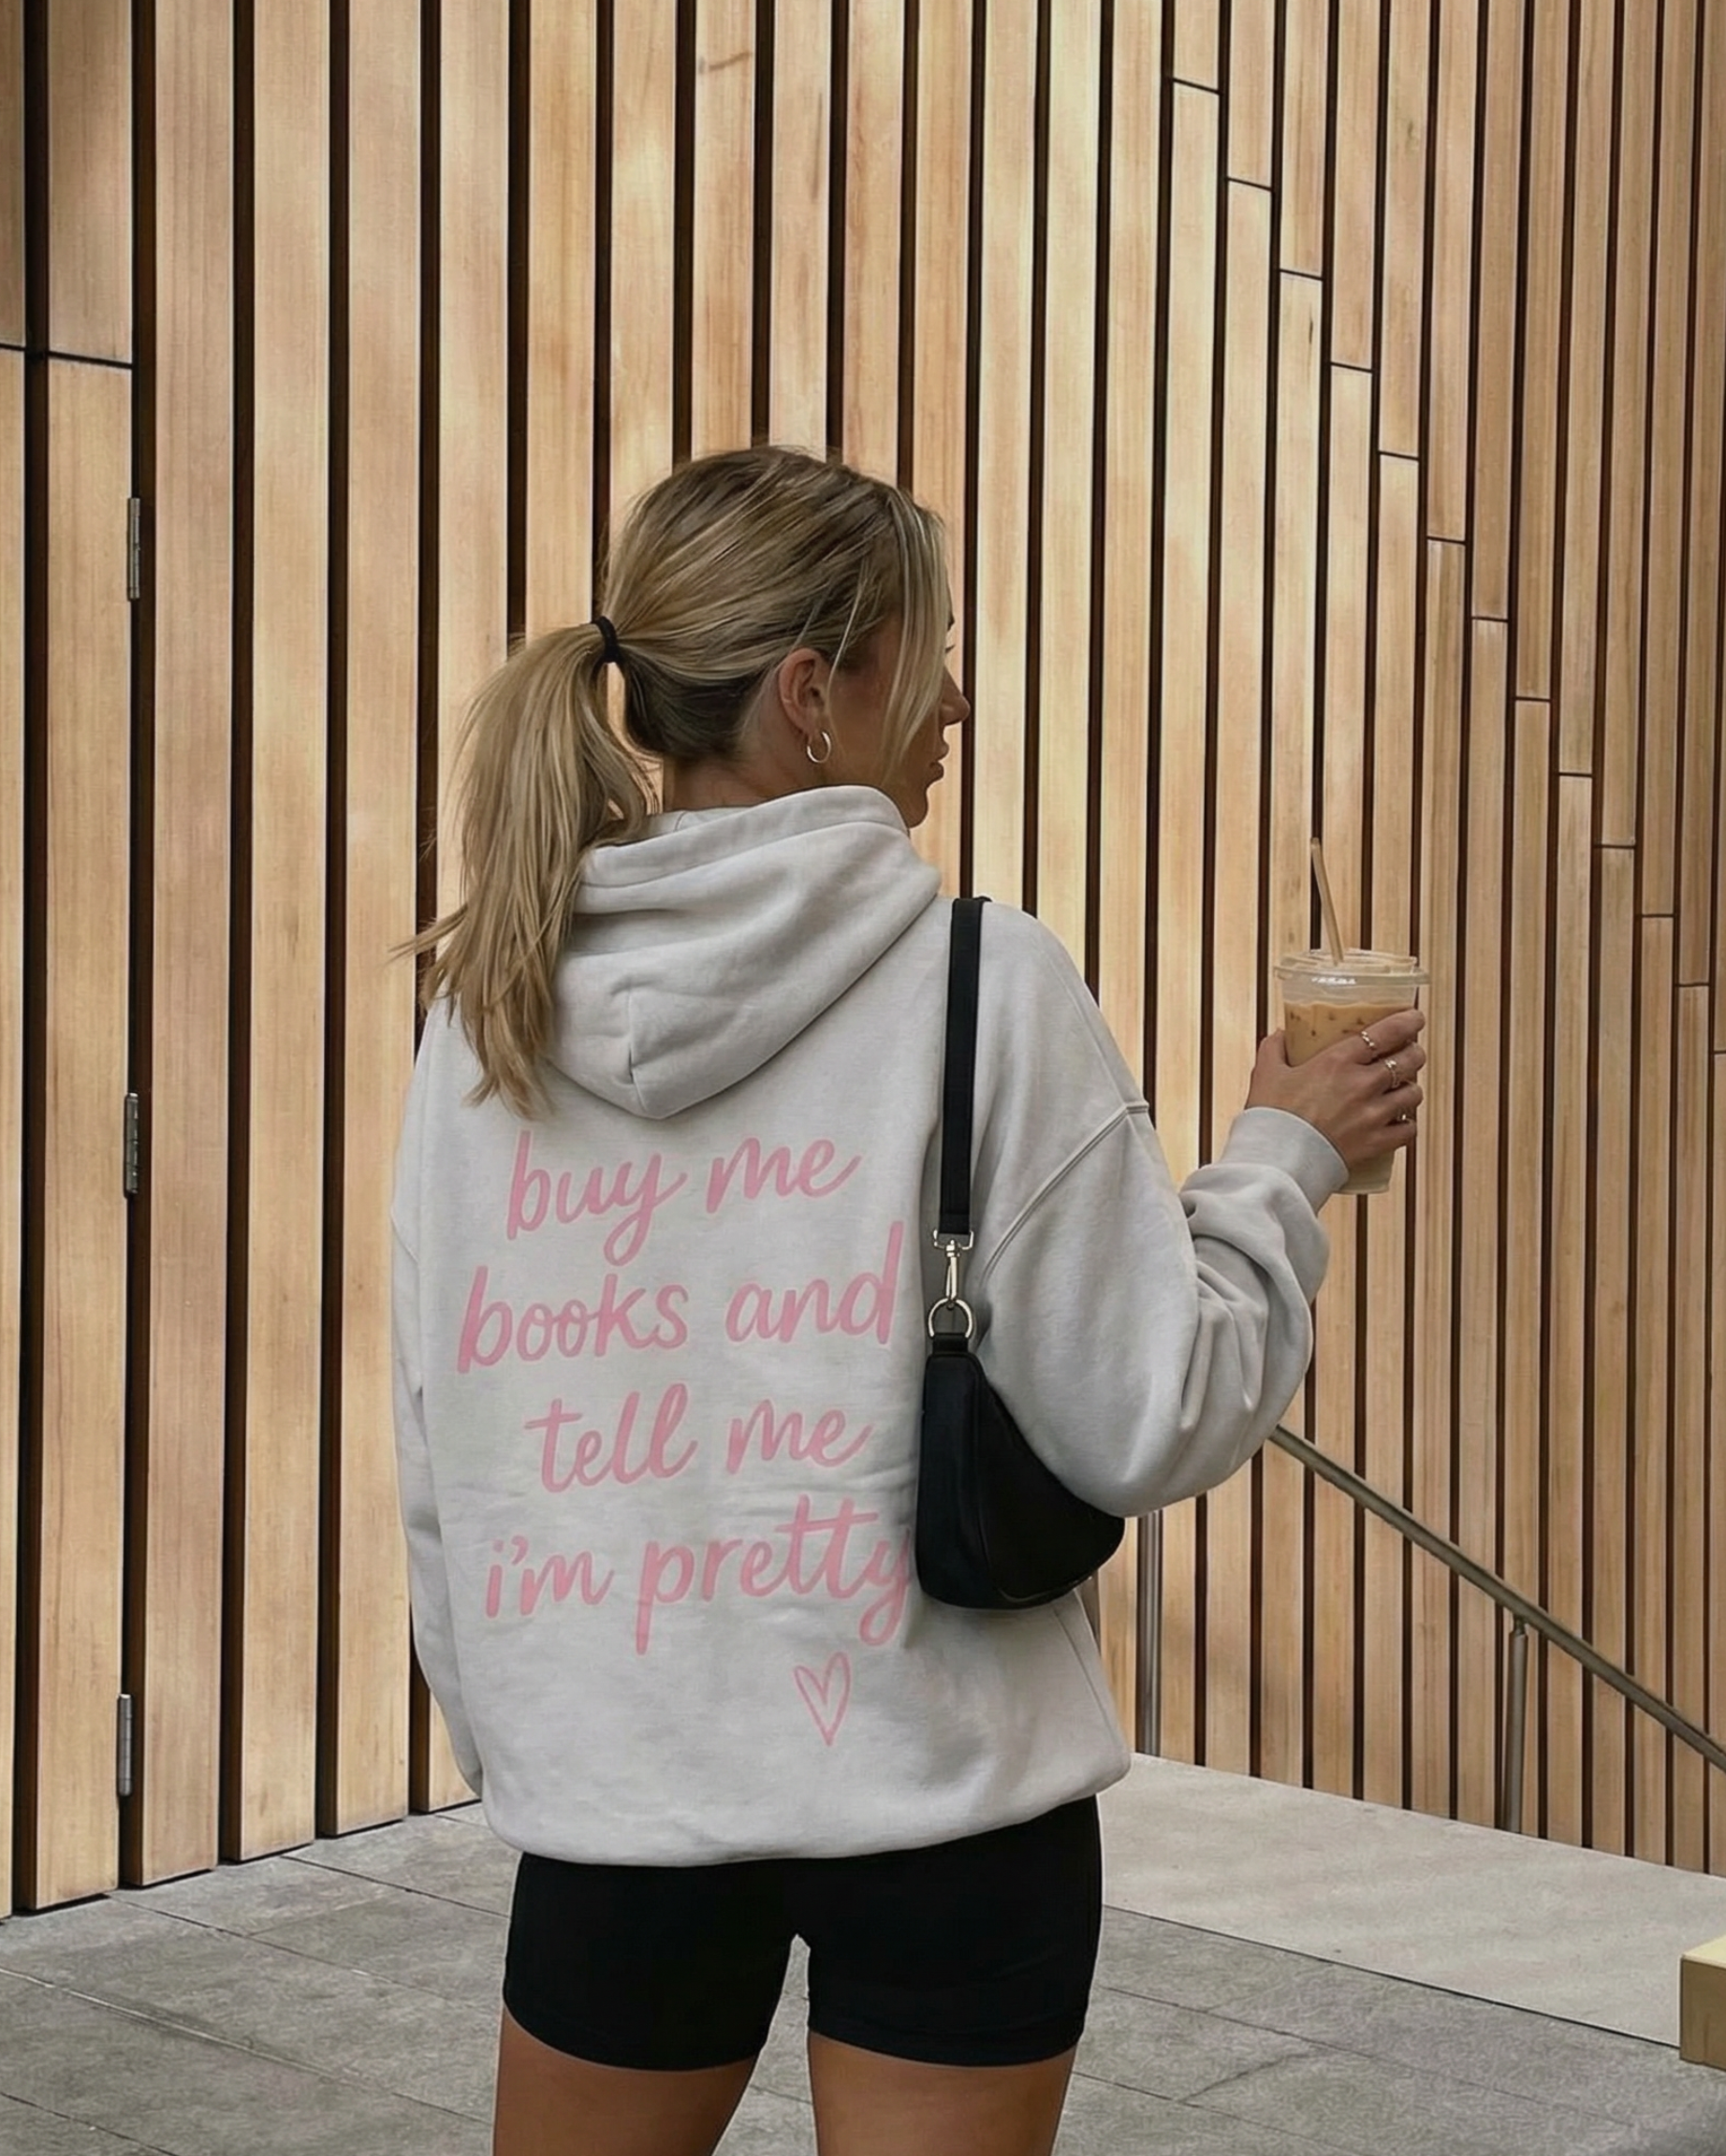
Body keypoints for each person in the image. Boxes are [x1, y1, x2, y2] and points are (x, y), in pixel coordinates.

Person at [390, 444, 1426, 2156]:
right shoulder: (980, 981)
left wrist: (533, 1731)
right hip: (947, 1799)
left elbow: (440, 1430)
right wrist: (1278, 1167)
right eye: (932, 651)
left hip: (621, 1802)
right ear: (815, 694)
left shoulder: (489, 1001)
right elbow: (1150, 1407)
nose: (957, 699)